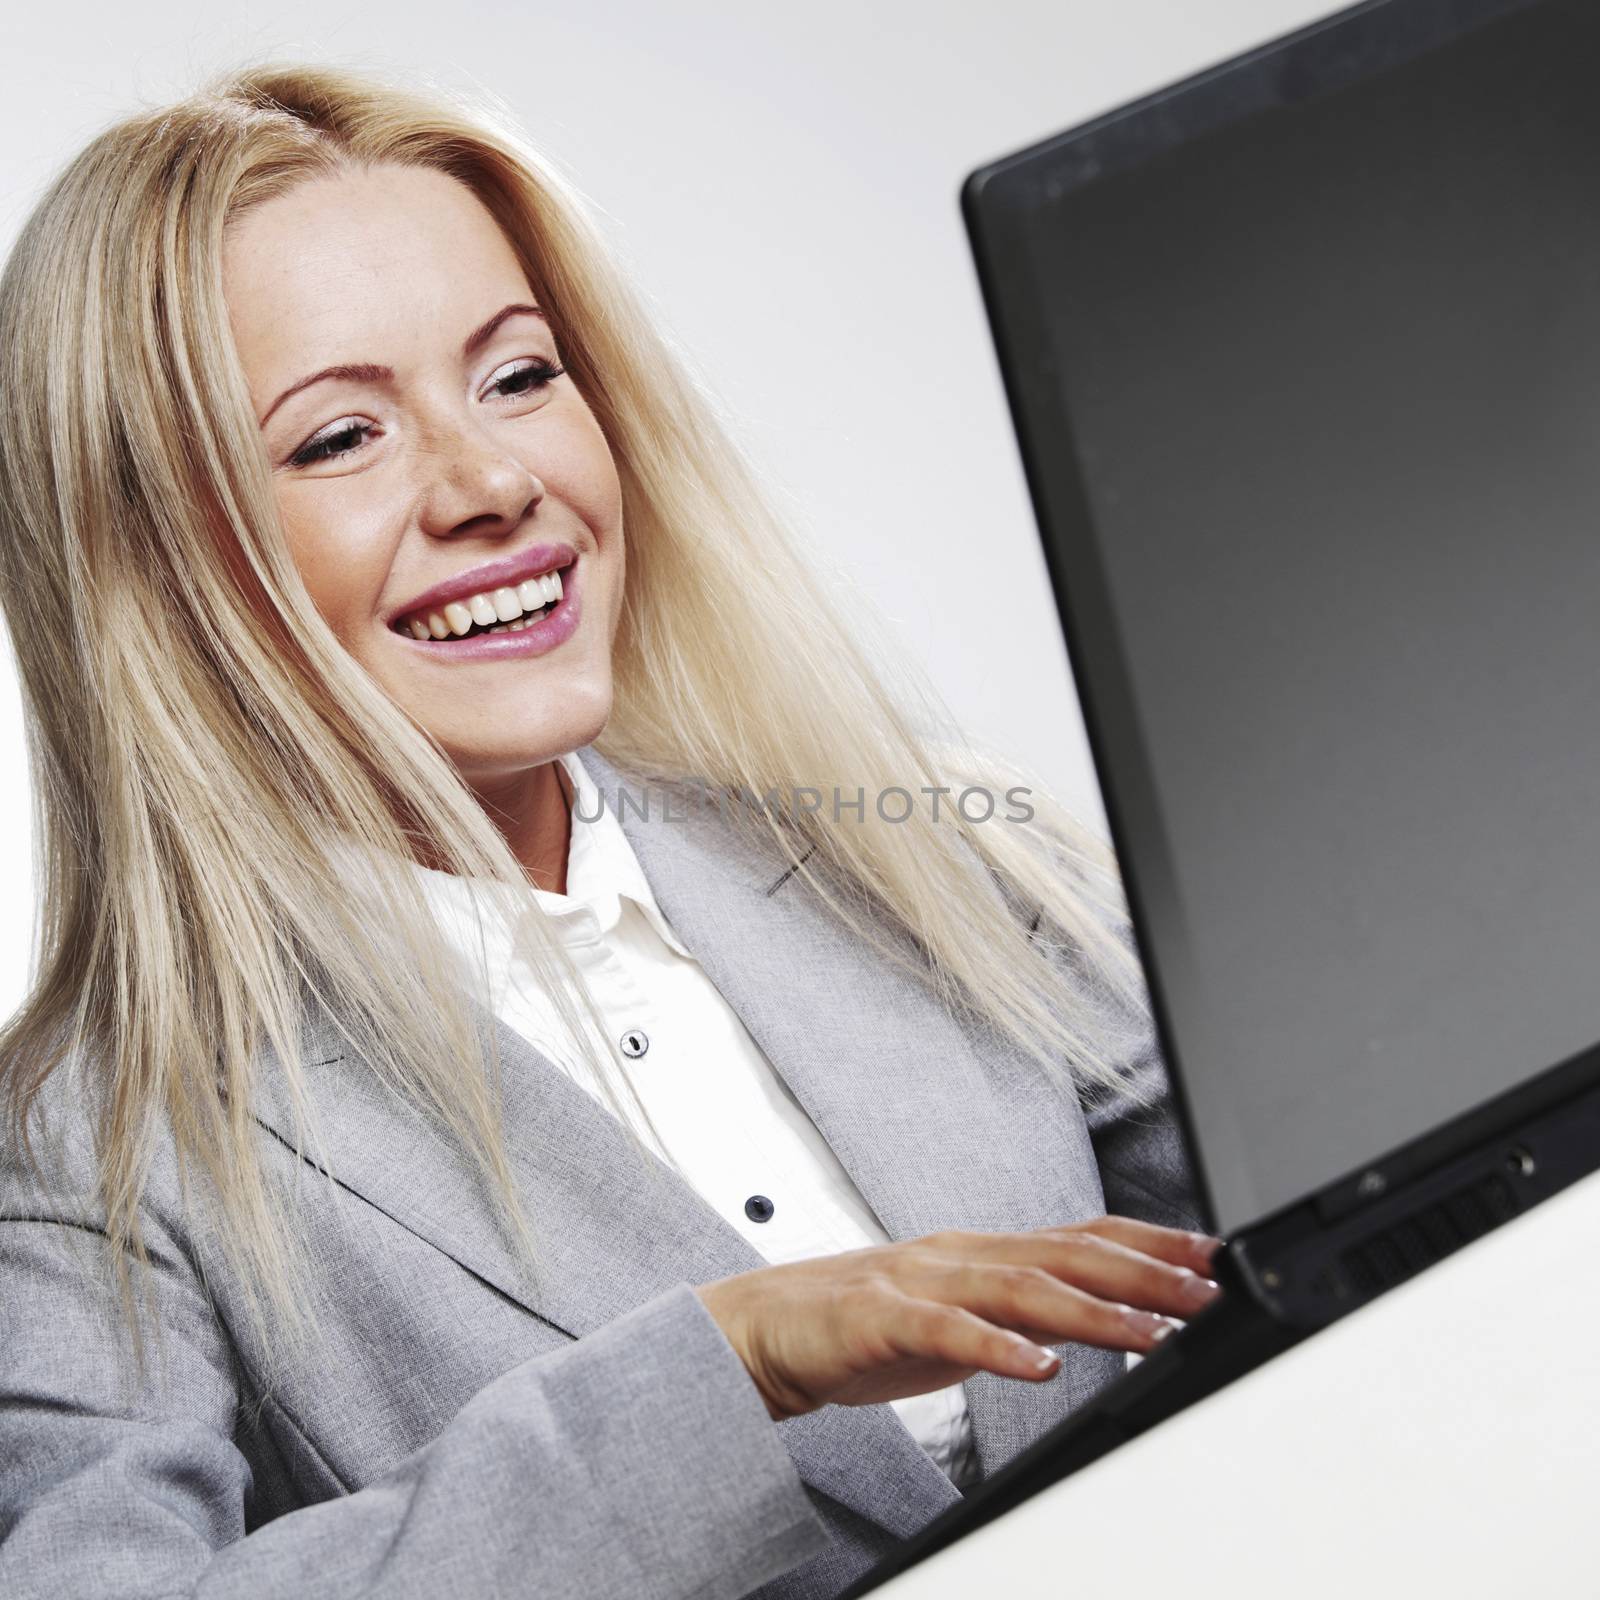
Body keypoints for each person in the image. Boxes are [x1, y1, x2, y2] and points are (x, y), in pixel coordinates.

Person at [0, 61, 1215, 1600]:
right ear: (152, 562)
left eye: (518, 377)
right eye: (337, 440)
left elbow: (1314, 1224)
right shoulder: (91, 1142)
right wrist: (730, 1363)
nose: (496, 482)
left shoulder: (912, 844)